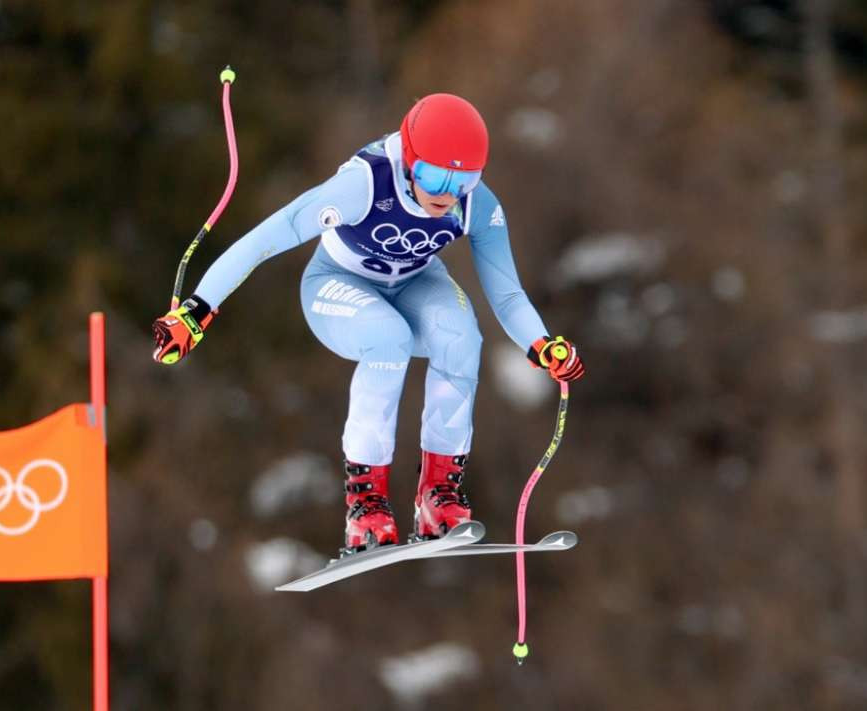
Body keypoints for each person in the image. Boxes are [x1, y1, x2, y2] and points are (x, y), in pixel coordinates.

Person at [152, 93, 585, 556]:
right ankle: (367, 503)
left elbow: (507, 292)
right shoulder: (365, 184)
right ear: (410, 163)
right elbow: (267, 237)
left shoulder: (475, 204)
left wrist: (541, 345)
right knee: (388, 340)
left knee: (461, 334)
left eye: (463, 179)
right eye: (434, 176)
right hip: (336, 286)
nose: (445, 193)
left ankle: (438, 496)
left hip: (417, 283)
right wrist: (197, 311)